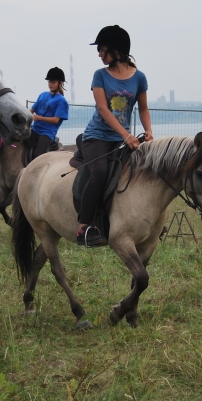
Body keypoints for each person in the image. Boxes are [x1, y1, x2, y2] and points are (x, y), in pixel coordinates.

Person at [77, 25, 153, 247]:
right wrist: (126, 135)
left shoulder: (139, 77)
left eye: (102, 49)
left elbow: (143, 109)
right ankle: (84, 226)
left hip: (122, 138)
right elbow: (103, 109)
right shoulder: (100, 75)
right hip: (97, 137)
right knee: (100, 171)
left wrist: (149, 130)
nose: (99, 54)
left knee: (142, 170)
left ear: (116, 50)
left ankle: (144, 220)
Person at [29, 67, 70, 159]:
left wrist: (39, 118)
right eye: (49, 82)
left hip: (47, 133)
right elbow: (32, 110)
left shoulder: (61, 101)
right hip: (35, 129)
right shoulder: (42, 95)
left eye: (53, 82)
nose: (50, 84)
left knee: (37, 155)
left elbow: (56, 120)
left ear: (60, 83)